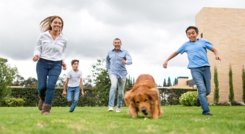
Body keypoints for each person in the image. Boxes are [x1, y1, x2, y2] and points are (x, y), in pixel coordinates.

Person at [163, 26, 221, 116]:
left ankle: (200, 100)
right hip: (194, 69)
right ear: (187, 35)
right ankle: (206, 111)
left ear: (196, 34)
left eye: (193, 33)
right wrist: (167, 60)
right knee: (201, 89)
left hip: (205, 68)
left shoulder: (203, 42)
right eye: (189, 34)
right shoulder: (186, 45)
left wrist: (216, 55)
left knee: (207, 91)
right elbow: (176, 52)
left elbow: (214, 49)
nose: (191, 35)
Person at [33, 15, 67, 115]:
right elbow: (37, 48)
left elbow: (63, 52)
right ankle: (42, 99)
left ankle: (46, 109)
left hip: (56, 64)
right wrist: (36, 55)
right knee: (42, 87)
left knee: (51, 85)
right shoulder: (43, 35)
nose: (57, 24)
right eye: (55, 22)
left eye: (59, 23)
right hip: (42, 63)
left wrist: (63, 61)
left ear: (61, 25)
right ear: (51, 24)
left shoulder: (64, 39)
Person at [106, 38, 132, 112]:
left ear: (120, 44)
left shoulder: (125, 52)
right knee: (113, 86)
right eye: (115, 42)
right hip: (113, 73)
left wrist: (125, 62)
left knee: (120, 92)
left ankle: (119, 107)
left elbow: (130, 61)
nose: (117, 44)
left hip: (122, 73)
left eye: (118, 43)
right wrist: (108, 70)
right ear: (113, 44)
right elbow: (107, 61)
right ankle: (110, 106)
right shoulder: (110, 52)